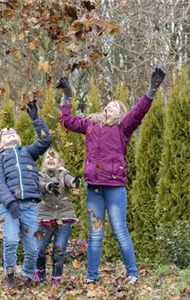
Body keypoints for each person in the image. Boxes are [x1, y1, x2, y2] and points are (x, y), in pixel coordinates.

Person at [56, 68, 166, 285]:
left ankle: (132, 274)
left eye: (115, 106)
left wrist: (152, 90)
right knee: (95, 234)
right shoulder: (90, 125)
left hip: (115, 188)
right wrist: (67, 94)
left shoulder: (123, 129)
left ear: (119, 114)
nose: (109, 106)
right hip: (94, 190)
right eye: (109, 104)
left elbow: (139, 111)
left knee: (120, 231)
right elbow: (67, 120)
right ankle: (91, 278)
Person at [0, 99, 52, 289]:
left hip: (31, 206)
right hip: (10, 207)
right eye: (5, 133)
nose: (10, 133)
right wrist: (10, 203)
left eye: (13, 131)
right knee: (10, 240)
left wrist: (36, 120)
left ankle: (26, 278)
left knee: (33, 248)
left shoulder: (27, 152)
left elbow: (45, 140)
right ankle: (10, 276)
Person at [33, 148, 80, 285]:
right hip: (44, 219)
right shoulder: (39, 175)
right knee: (39, 248)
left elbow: (70, 181)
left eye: (54, 158)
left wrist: (74, 183)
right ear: (43, 163)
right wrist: (48, 186)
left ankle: (56, 278)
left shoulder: (63, 174)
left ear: (59, 163)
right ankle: (40, 271)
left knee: (58, 250)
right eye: (48, 157)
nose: (51, 159)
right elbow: (38, 185)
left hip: (64, 218)